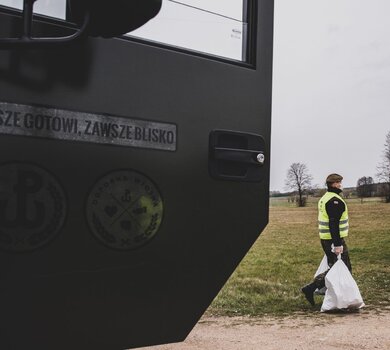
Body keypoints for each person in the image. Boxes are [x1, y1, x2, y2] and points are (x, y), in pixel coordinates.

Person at [301, 173, 352, 306]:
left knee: (335, 267)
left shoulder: (325, 198)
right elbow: (333, 223)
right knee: (342, 268)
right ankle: (311, 288)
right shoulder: (334, 200)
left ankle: (334, 296)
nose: (341, 185)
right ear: (334, 184)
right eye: (339, 182)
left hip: (326, 238)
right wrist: (337, 244)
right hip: (332, 240)